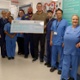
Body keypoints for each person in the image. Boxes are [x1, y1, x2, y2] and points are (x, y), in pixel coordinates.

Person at [61, 15, 80, 80]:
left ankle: (72, 77)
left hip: (75, 50)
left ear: (78, 20)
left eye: (76, 19)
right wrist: (64, 42)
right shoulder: (68, 27)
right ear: (71, 20)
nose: (75, 21)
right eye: (73, 19)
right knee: (65, 64)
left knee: (74, 65)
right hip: (67, 49)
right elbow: (65, 36)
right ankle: (64, 77)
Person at [50, 8, 68, 74]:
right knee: (53, 55)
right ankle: (53, 66)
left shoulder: (65, 22)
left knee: (61, 56)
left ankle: (60, 68)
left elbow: (66, 32)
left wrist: (64, 41)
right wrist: (51, 40)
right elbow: (52, 31)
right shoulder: (54, 22)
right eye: (57, 13)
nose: (58, 14)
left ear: (62, 14)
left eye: (59, 13)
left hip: (61, 42)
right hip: (54, 41)